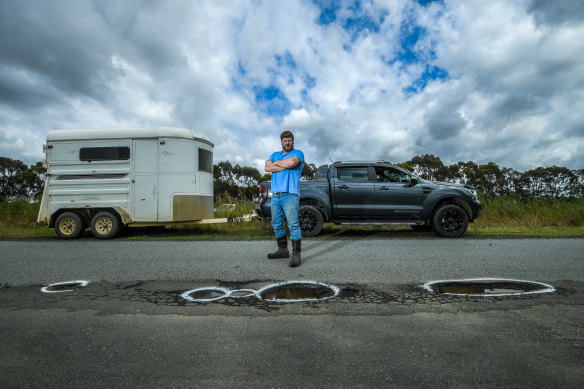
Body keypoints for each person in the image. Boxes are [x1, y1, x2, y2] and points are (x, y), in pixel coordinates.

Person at [264, 130, 305, 267]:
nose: (287, 142)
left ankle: (296, 253)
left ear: (293, 141)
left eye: (289, 140)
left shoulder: (298, 153)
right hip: (276, 195)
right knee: (276, 223)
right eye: (285, 140)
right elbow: (267, 167)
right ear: (281, 142)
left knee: (293, 223)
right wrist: (284, 164)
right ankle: (282, 250)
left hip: (290, 194)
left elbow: (293, 163)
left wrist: (276, 165)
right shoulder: (275, 154)